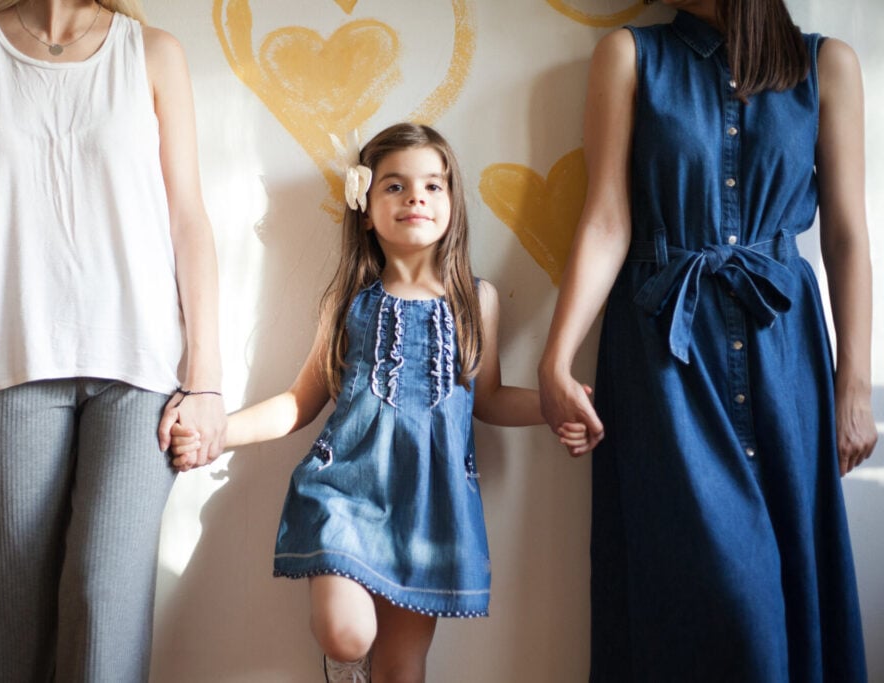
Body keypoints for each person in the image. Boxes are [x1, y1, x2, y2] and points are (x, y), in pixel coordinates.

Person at [171, 123, 587, 682]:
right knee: (350, 634)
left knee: (401, 669)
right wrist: (217, 431)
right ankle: (342, 666)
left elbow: (486, 399)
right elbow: (300, 401)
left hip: (430, 507)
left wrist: (557, 404)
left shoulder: (475, 299)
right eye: (394, 186)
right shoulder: (348, 302)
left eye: (433, 186)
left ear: (452, 203)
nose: (415, 196)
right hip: (346, 493)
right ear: (365, 208)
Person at [537, 0, 875, 680]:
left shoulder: (827, 64)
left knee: (789, 596)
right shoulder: (629, 56)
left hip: (787, 360)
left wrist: (854, 384)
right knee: (705, 599)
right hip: (665, 359)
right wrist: (556, 356)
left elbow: (845, 235)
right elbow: (607, 218)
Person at [0, 1, 226, 680]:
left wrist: (206, 378)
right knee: (8, 620)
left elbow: (189, 220)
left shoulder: (151, 52)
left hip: (141, 372)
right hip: (8, 364)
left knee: (101, 600)